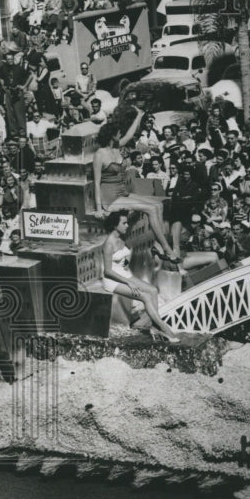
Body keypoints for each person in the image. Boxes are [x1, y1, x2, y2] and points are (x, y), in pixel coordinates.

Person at [91, 112, 182, 263]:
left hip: (122, 192)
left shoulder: (117, 146)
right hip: (110, 198)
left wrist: (138, 115)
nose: (121, 136)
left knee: (158, 205)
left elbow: (130, 133)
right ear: (111, 135)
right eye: (118, 134)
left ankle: (158, 244)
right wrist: (99, 208)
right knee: (151, 209)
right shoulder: (100, 154)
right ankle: (167, 249)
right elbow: (96, 182)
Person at [100, 211, 179, 342]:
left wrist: (124, 263)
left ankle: (155, 327)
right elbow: (107, 272)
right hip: (111, 280)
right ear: (115, 225)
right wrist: (128, 282)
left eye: (127, 222)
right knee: (145, 296)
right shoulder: (109, 244)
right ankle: (164, 328)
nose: (127, 225)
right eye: (124, 223)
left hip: (123, 274)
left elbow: (121, 257)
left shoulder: (121, 238)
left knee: (153, 290)